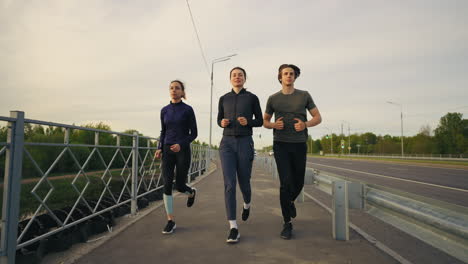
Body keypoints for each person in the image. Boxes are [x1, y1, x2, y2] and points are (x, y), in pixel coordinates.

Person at [263, 64, 322, 239]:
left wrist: (305, 124)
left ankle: (289, 202)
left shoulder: (304, 96)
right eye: (285, 73)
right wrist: (274, 125)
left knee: (298, 182)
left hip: (299, 144)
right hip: (281, 144)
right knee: (285, 182)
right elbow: (265, 121)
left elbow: (318, 117)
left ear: (295, 77)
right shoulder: (273, 98)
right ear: (280, 77)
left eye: (291, 74)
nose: (288, 76)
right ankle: (287, 222)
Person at [217, 67, 263, 243]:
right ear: (230, 79)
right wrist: (222, 122)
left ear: (245, 79)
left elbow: (259, 120)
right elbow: (219, 120)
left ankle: (247, 204)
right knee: (229, 183)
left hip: (245, 142)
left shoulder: (252, 98)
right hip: (226, 143)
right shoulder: (224, 98)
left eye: (240, 75)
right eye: (234, 75)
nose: (237, 77)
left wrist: (248, 122)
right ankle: (233, 227)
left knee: (244, 182)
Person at [155, 80, 198, 234]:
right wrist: (159, 147)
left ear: (182, 92)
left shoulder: (188, 110)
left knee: (179, 185)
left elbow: (194, 133)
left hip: (182, 150)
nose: (174, 90)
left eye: (177, 88)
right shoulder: (164, 110)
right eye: (171, 88)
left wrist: (181, 144)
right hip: (167, 150)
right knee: (166, 183)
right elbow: (163, 131)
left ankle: (191, 192)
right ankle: (170, 220)